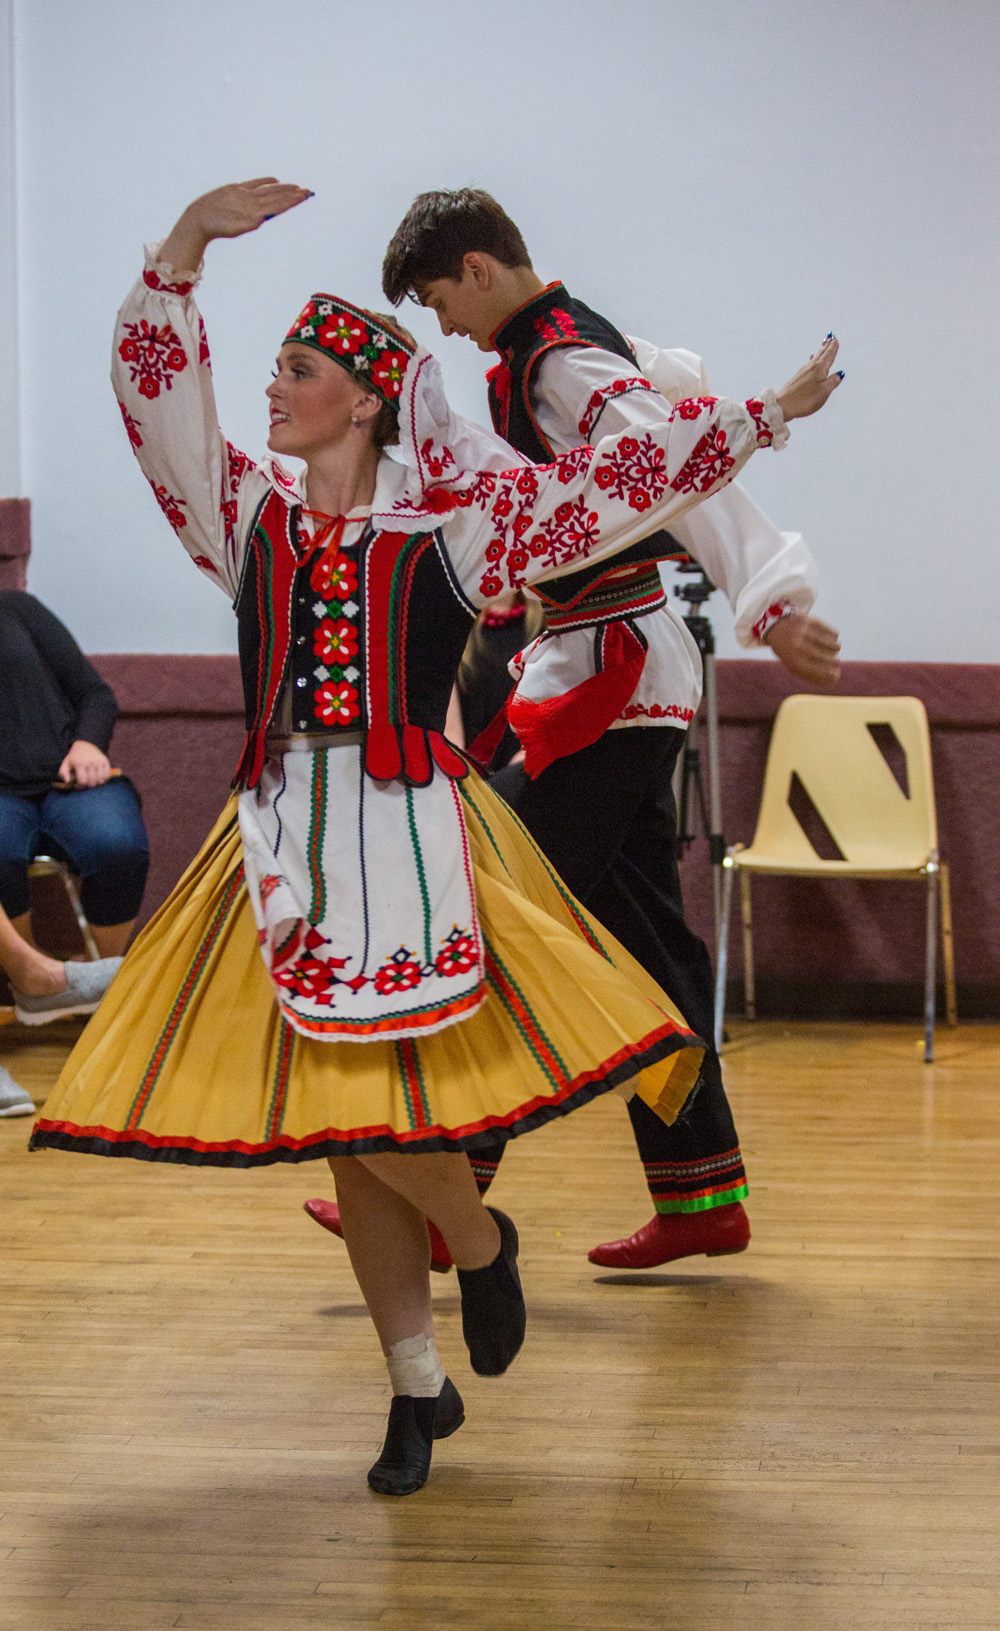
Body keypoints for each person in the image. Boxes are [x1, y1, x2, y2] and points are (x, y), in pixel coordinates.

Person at [30, 177, 840, 1496]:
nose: (271, 392)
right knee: (346, 1128)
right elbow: (154, 404)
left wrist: (760, 417)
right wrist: (179, 250)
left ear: (363, 395)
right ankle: (421, 1378)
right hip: (287, 852)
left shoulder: (457, 526)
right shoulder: (247, 513)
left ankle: (480, 1239)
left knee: (373, 1117)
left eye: (294, 370)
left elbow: (609, 487)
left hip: (408, 846)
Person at [367, 188, 843, 1271]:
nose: (445, 323)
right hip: (603, 670)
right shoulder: (571, 347)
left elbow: (664, 466)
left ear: (479, 268)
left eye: (443, 299)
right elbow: (667, 406)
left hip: (607, 681)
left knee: (492, 910)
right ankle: (699, 1196)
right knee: (646, 951)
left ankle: (448, 1203)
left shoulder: (558, 362)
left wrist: (770, 594)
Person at [0, 589, 150, 1007]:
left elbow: (94, 693)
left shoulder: (16, 608)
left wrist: (89, 744)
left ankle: (102, 979)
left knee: (117, 844)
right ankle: (32, 980)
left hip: (69, 781)